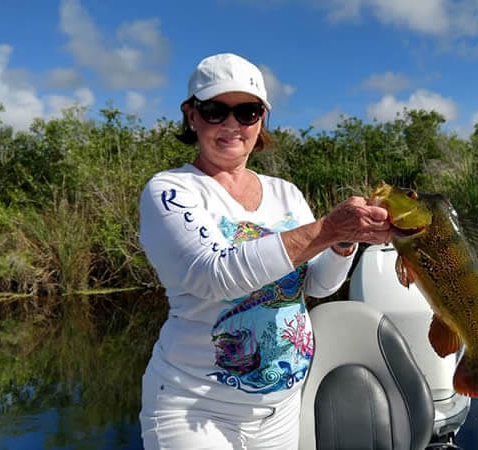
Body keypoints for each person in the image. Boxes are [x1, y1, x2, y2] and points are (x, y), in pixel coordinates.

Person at [137, 52, 391, 449]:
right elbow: (216, 275)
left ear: (262, 119)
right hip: (194, 411)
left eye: (247, 112)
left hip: (281, 411)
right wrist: (327, 228)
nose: (232, 125)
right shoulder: (170, 190)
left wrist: (344, 242)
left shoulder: (285, 193)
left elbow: (317, 286)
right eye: (215, 111)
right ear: (191, 115)